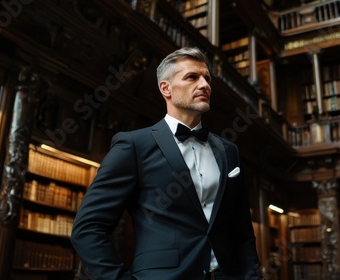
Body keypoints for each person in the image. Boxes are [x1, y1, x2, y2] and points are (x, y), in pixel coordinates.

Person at [71, 47, 262, 280]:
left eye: (207, 78)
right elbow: (88, 229)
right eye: (192, 77)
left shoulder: (228, 151)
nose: (205, 85)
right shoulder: (133, 146)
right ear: (166, 88)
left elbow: (242, 232)